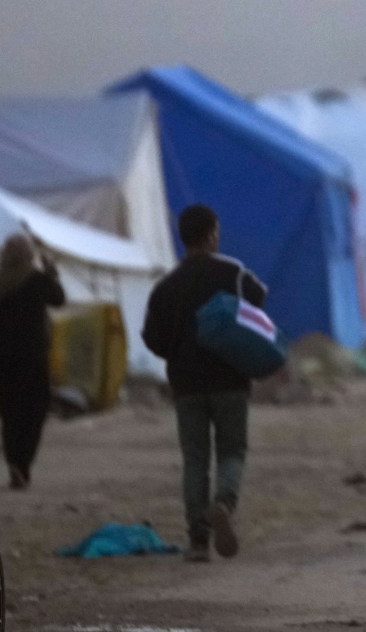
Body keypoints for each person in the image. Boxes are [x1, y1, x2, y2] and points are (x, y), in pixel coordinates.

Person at [142, 204, 266, 563]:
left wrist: (177, 355)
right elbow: (259, 299)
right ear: (211, 233)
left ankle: (198, 541)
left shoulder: (165, 287)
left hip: (187, 387)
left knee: (195, 459)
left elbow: (152, 338)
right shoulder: (234, 273)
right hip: (230, 380)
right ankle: (224, 503)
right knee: (231, 451)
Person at [0, 232, 65, 489]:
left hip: (0, 359)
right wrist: (51, 270)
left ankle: (13, 464)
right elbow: (59, 299)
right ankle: (23, 463)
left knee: (10, 414)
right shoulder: (37, 280)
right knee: (34, 412)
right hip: (33, 358)